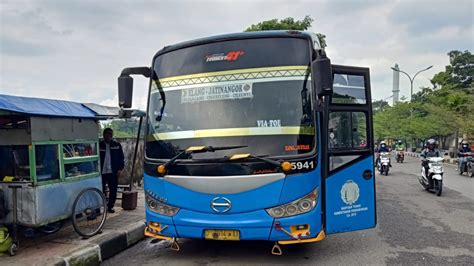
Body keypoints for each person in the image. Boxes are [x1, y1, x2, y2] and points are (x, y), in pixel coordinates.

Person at [100, 128, 125, 213]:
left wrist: (120, 169)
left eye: (110, 134)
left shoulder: (116, 145)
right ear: (103, 135)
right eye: (107, 134)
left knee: (113, 189)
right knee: (100, 189)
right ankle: (99, 206)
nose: (108, 136)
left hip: (113, 171)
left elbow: (121, 158)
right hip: (101, 172)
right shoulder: (99, 145)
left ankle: (110, 206)